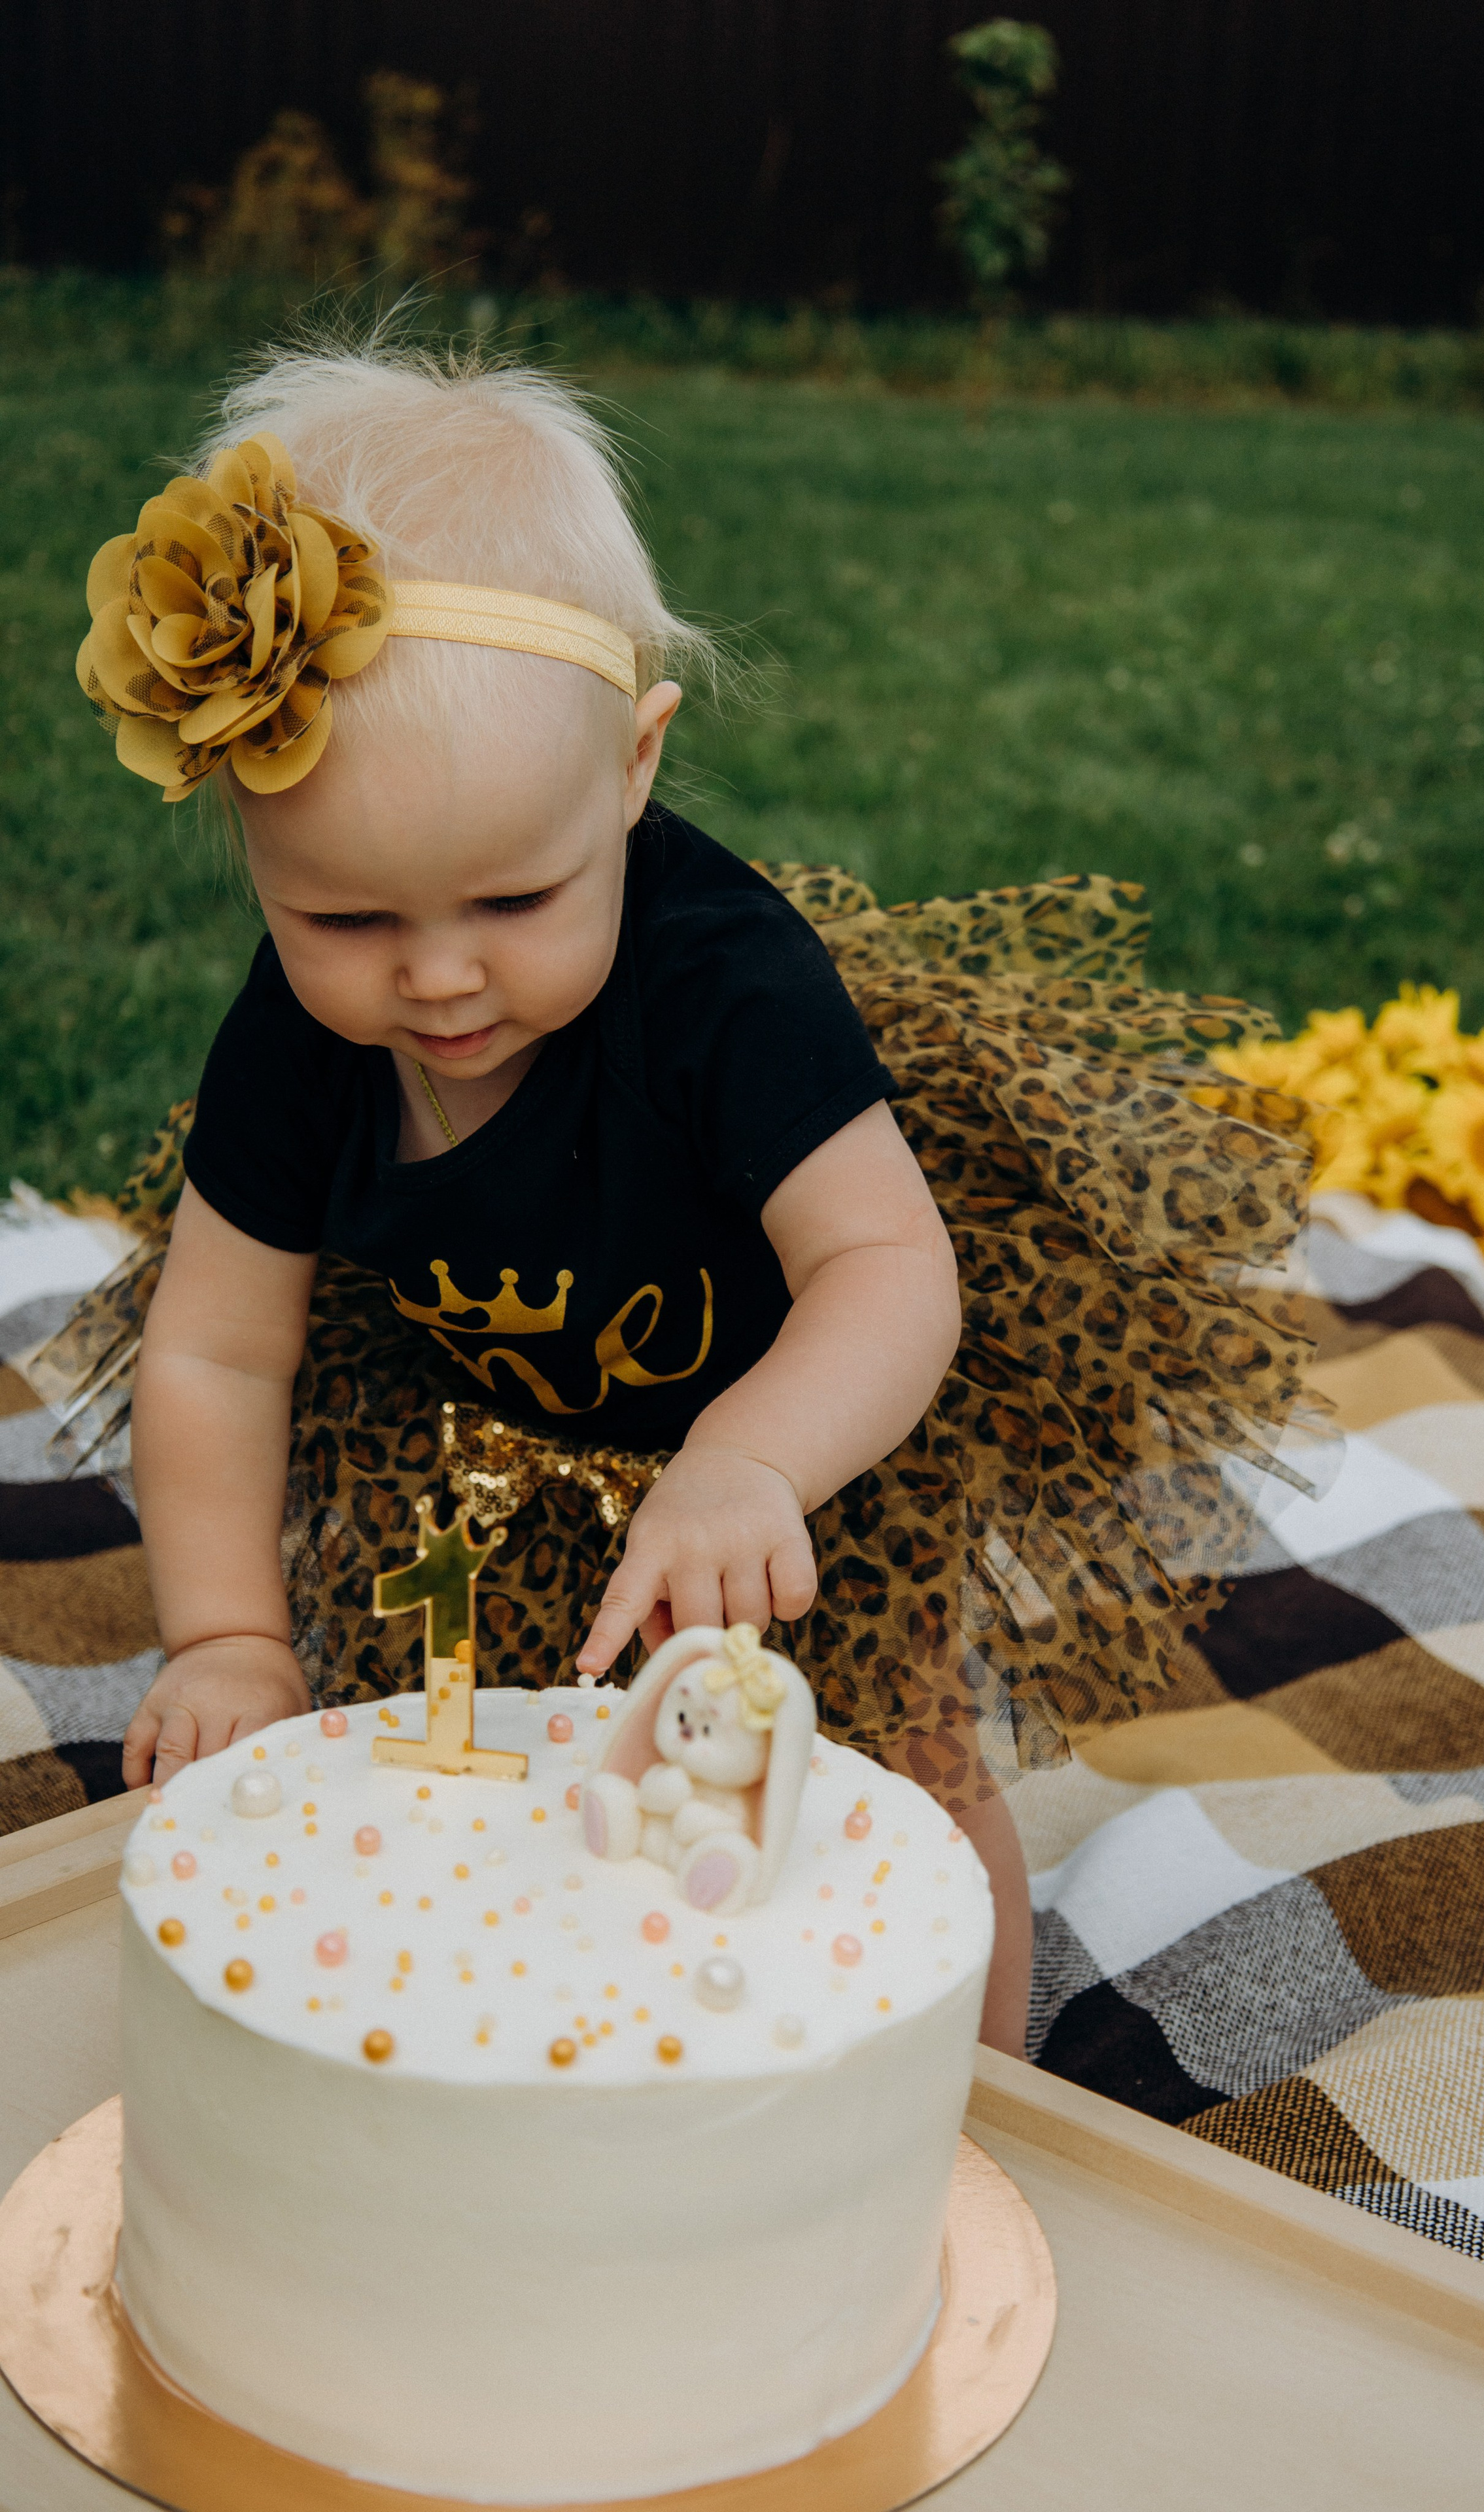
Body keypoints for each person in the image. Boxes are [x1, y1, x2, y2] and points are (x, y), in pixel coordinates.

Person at [40, 336, 1314, 2059]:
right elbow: (215, 1353)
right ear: (257, 852)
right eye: (344, 921)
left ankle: (981, 2106)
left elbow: (887, 1269)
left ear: (633, 771)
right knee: (481, 1748)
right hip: (482, 1431)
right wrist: (227, 1635)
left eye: (514, 897)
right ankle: (594, 2035)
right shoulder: (296, 1041)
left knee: (890, 1757)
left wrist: (748, 1461)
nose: (435, 979)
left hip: (798, 1438)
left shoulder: (726, 991)